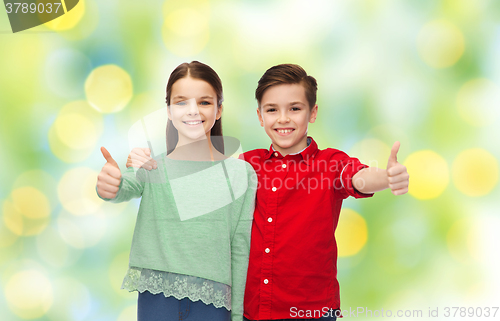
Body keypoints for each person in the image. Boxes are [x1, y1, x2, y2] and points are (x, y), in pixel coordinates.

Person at [126, 63, 410, 321]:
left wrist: (386, 177)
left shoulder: (330, 164)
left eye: (295, 108)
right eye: (272, 109)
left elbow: (358, 178)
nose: (283, 119)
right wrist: (149, 165)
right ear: (260, 116)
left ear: (312, 113)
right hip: (253, 310)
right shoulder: (247, 165)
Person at [96, 61, 257, 321]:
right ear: (169, 110)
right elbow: (123, 187)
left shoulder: (241, 174)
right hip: (157, 299)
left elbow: (241, 248)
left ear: (219, 110)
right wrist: (109, 185)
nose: (192, 111)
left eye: (204, 102)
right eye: (181, 102)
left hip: (214, 304)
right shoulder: (152, 166)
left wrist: (238, 315)